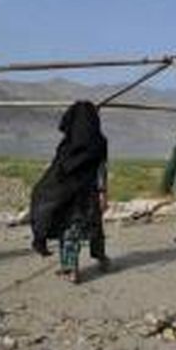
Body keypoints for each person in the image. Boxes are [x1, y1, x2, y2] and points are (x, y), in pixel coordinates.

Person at [29, 101, 109, 284]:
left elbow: (57, 169)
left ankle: (72, 268)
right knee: (86, 228)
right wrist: (104, 193)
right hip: (88, 194)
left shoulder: (68, 143)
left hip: (67, 194)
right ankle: (92, 261)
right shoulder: (99, 142)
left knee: (69, 229)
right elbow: (101, 170)